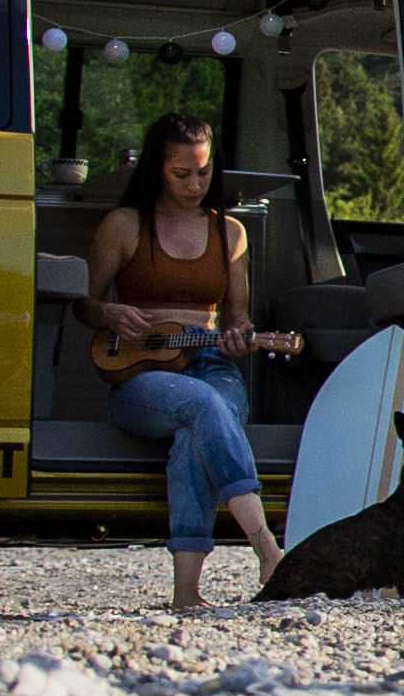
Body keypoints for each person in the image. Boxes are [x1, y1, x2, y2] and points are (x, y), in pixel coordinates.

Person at [83, 110, 303, 610]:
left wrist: (239, 338)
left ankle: (186, 593)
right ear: (157, 169)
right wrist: (110, 312)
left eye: (204, 172)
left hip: (209, 361)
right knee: (204, 407)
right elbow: (84, 305)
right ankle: (268, 548)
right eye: (182, 174)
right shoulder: (124, 225)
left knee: (197, 430)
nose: (195, 183)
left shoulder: (231, 233)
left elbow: (238, 320)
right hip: (140, 374)